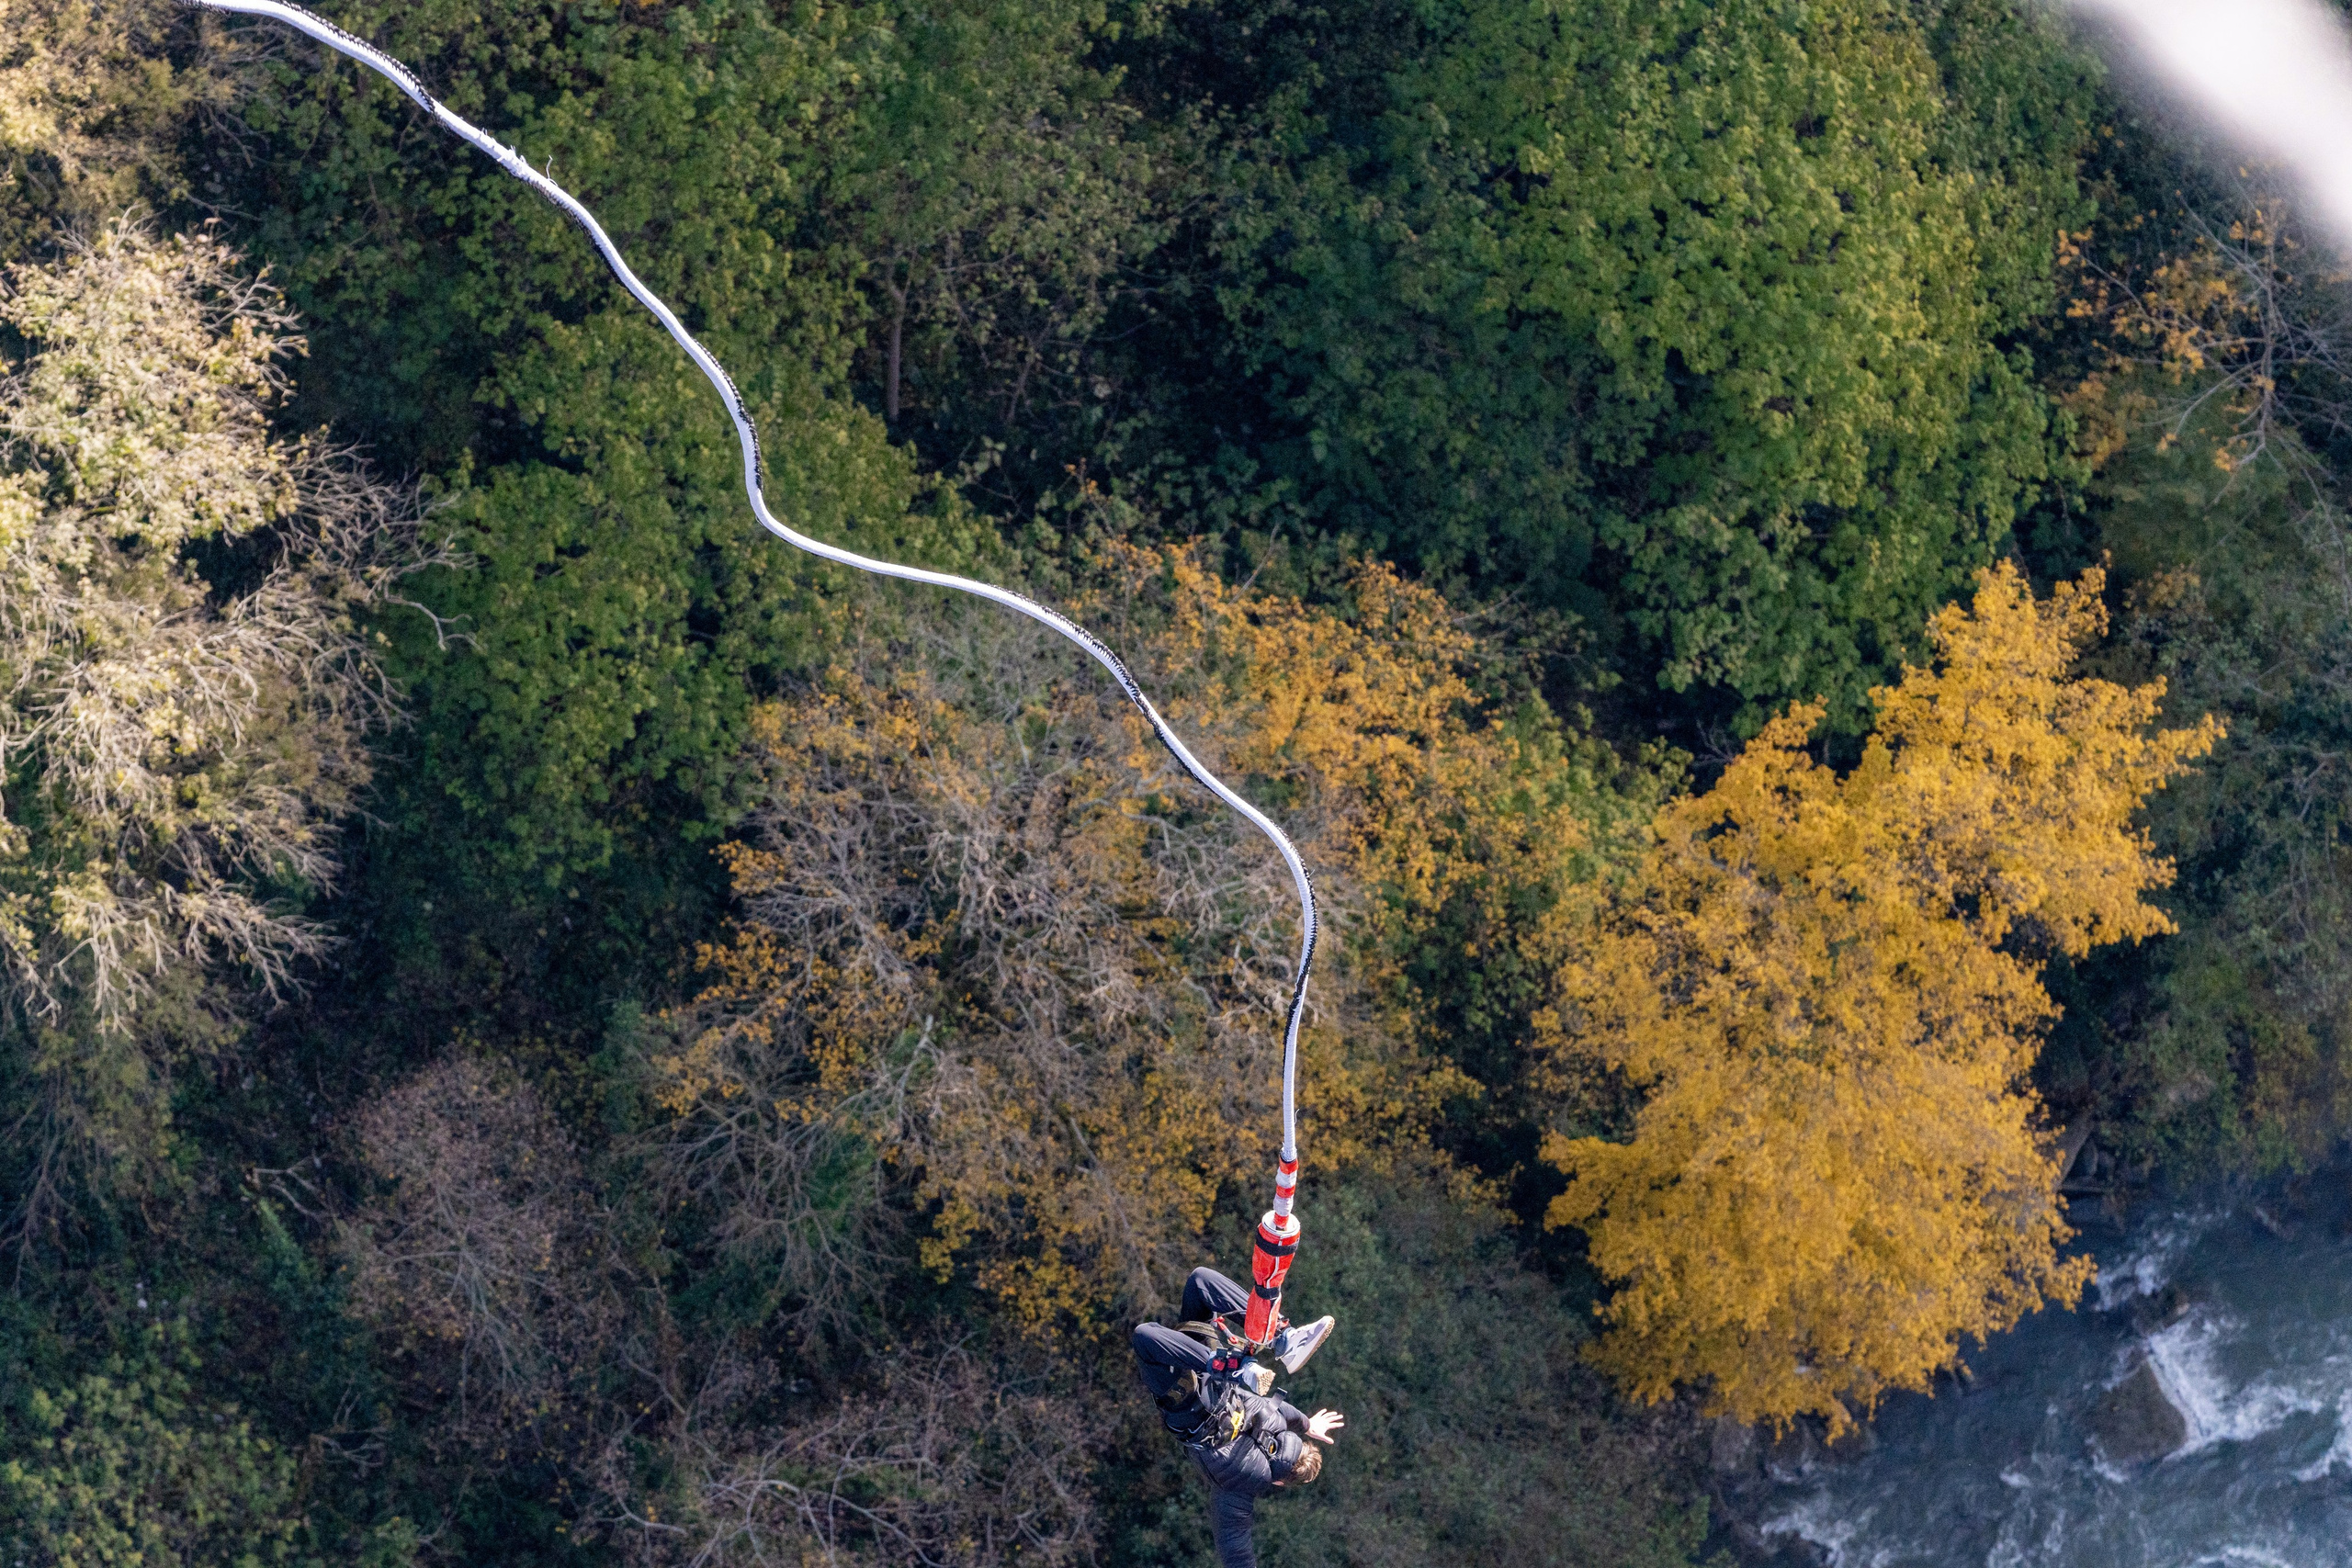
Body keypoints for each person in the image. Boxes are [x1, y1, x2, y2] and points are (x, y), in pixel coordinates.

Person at [1132, 1266, 1343, 1568]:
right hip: (1187, 1395)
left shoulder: (1280, 1423)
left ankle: (1284, 1338)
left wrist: (1310, 1424)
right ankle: (1235, 1364)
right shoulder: (1241, 1490)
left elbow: (1289, 1414)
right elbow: (1235, 1549)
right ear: (1281, 1483)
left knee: (1200, 1281)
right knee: (1144, 1337)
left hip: (1212, 1376)